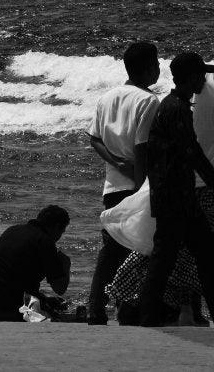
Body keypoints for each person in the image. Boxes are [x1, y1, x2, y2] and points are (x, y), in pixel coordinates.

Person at [86, 41, 160, 325]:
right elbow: (142, 147)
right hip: (138, 185)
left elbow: (94, 138)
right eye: (155, 65)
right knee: (140, 250)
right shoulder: (147, 100)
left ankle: (96, 306)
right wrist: (142, 185)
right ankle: (128, 307)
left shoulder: (107, 97)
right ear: (146, 68)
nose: (158, 70)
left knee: (111, 250)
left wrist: (116, 163)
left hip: (112, 186)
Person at [138, 52, 214, 327]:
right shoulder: (176, 108)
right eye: (202, 74)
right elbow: (191, 151)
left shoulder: (175, 105)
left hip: (180, 197)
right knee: (165, 258)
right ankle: (147, 317)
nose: (205, 79)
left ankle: (149, 317)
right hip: (175, 199)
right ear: (192, 78)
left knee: (201, 254)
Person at [0, 205, 71, 322]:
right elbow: (60, 288)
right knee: (57, 320)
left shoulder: (12, 231)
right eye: (62, 231)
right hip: (7, 312)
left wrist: (43, 299)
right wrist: (65, 264)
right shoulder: (44, 241)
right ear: (56, 227)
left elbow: (14, 281)